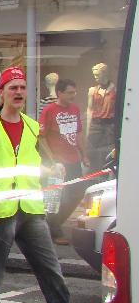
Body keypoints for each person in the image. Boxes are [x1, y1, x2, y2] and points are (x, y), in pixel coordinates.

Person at [0, 67, 104, 303]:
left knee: (52, 271)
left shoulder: (31, 126)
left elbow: (30, 163)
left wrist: (52, 168)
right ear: (1, 93)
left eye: (22, 88)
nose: (18, 92)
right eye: (12, 87)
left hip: (30, 208)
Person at [39, 79, 89, 245]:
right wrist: (52, 159)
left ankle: (52, 224)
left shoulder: (75, 109)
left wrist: (84, 154)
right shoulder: (49, 110)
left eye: (74, 92)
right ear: (60, 93)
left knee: (77, 193)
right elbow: (42, 137)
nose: (73, 96)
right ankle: (54, 231)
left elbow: (79, 134)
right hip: (57, 163)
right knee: (54, 197)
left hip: (73, 159)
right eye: (69, 92)